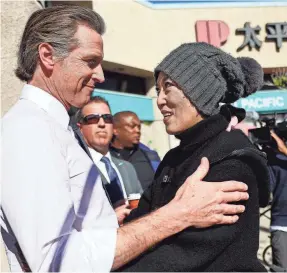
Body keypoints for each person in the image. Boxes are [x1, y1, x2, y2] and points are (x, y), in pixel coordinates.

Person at [1, 6, 250, 272]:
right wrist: (177, 215)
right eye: (90, 61)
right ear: (48, 56)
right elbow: (57, 262)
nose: (101, 75)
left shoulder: (53, 127)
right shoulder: (30, 131)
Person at [119, 43, 270, 272]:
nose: (159, 100)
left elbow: (181, 257)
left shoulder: (233, 157)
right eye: (158, 90)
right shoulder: (173, 158)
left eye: (167, 87)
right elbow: (139, 222)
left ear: (200, 93)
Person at [77, 96, 143, 224]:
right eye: (93, 119)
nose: (102, 124)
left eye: (107, 118)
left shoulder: (127, 167)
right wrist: (110, 219)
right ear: (80, 128)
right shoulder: (75, 169)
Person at [111, 111, 161, 189]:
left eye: (139, 127)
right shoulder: (104, 159)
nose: (137, 130)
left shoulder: (151, 157)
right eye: (132, 126)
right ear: (115, 130)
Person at [267, 131, 287, 270]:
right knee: (281, 268)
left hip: (279, 223)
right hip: (280, 224)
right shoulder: (273, 162)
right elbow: (266, 193)